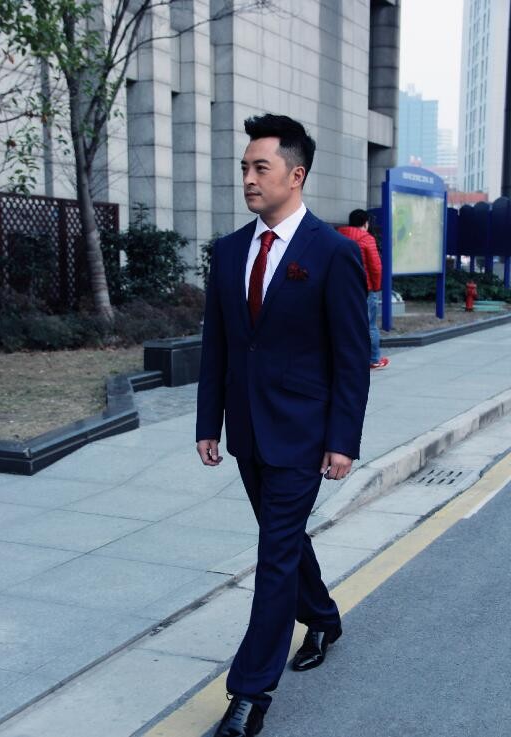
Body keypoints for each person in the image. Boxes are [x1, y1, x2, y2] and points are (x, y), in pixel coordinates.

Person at [196, 114, 370, 737]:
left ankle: (249, 695)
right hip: (246, 430)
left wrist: (342, 440)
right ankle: (322, 617)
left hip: (302, 434)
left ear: (295, 176)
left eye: (260, 167)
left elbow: (351, 355)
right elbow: (218, 345)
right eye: (244, 167)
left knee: (272, 557)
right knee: (285, 541)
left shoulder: (334, 252)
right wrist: (209, 422)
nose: (248, 177)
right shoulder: (228, 251)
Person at [338, 210, 390, 370]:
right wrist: (376, 286)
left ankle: (345, 360)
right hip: (364, 288)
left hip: (341, 288)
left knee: (343, 324)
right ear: (365, 223)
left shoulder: (337, 236)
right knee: (370, 325)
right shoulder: (367, 239)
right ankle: (373, 359)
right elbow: (375, 267)